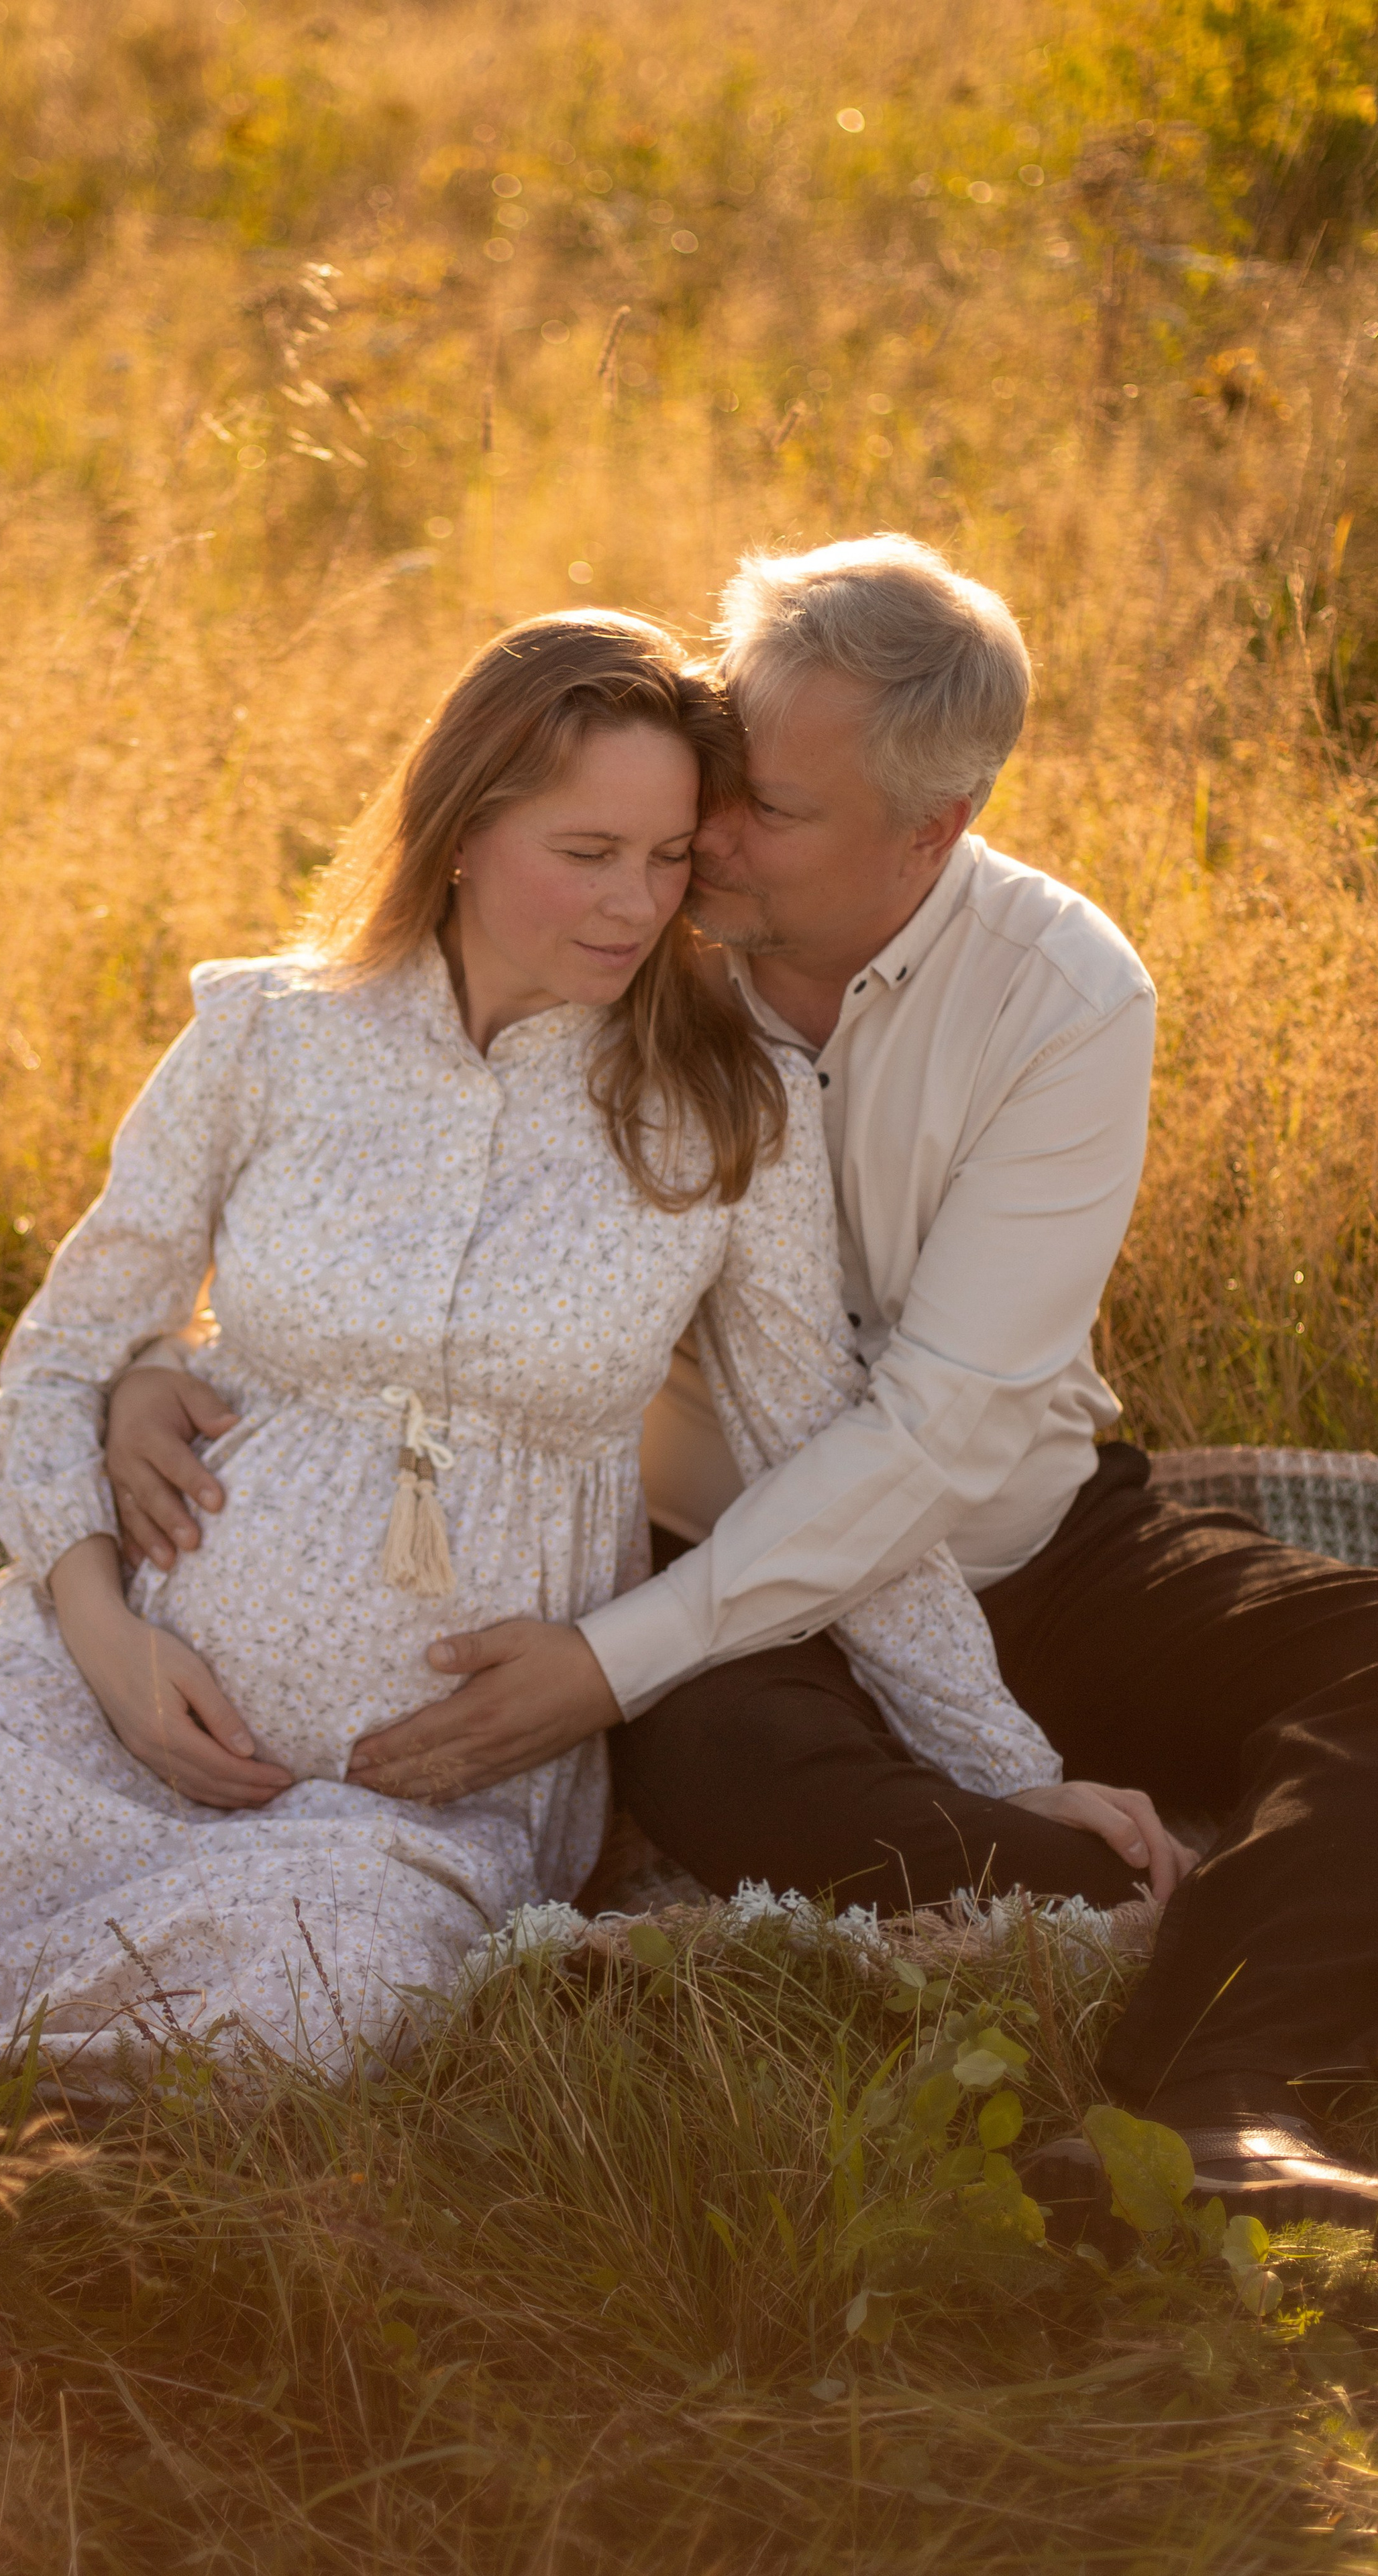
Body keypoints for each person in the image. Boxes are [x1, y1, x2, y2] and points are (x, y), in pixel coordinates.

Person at [109, 541, 1378, 2230]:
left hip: (1017, 1543)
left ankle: (1229, 2098)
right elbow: (398, 1241)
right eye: (720, 769)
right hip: (710, 1579)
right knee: (727, 1776)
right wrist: (156, 1369)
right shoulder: (619, 936)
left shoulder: (1061, 999)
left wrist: (604, 1668)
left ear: (928, 829)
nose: (698, 839)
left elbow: (935, 1437)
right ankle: (1116, 1887)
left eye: (764, 809)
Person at [0, 610, 1069, 2091]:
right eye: (585, 853)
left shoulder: (728, 1107)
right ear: (458, 828)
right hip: (113, 1688)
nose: (636, 906)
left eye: (667, 859)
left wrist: (1011, 1780)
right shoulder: (269, 1035)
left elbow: (833, 1463)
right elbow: (59, 1365)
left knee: (303, 2009)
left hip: (424, 1797)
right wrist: (111, 1642)